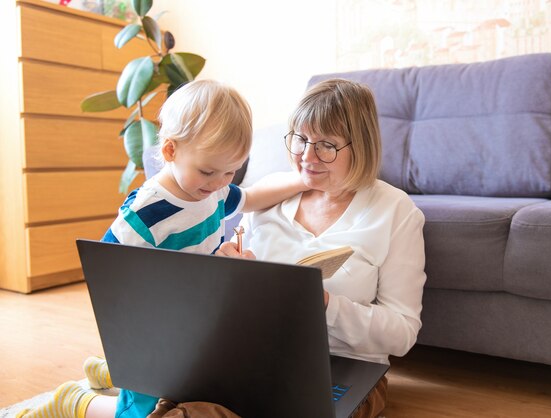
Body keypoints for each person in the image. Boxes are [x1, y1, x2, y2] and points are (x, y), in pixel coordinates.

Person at [17, 79, 307, 418]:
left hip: (192, 318)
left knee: (199, 380)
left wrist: (303, 181)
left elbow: (252, 198)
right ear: (170, 151)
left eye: (231, 171)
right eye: (208, 171)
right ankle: (74, 401)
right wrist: (133, 340)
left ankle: (112, 372)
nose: (219, 184)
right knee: (139, 412)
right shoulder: (148, 211)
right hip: (151, 326)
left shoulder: (213, 190)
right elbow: (108, 269)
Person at [216, 78, 427, 418]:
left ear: (360, 146)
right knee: (185, 407)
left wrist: (326, 305)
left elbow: (402, 333)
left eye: (327, 145)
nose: (307, 156)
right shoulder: (270, 196)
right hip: (256, 355)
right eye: (300, 139)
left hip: (345, 368)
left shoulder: (395, 211)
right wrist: (225, 273)